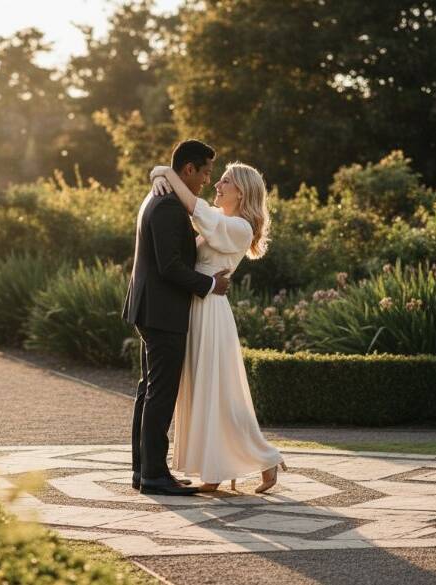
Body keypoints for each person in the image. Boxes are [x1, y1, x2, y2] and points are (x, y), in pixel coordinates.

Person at [149, 160, 287, 493]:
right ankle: (225, 466)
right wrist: (158, 174)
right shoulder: (220, 220)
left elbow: (194, 208)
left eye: (224, 181)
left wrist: (166, 173)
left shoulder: (240, 228)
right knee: (202, 390)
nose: (217, 186)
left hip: (211, 313)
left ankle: (255, 460)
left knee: (217, 391)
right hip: (195, 309)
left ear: (241, 191)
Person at [122, 140, 231, 496]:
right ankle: (154, 474)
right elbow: (170, 267)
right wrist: (211, 283)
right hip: (163, 311)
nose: (206, 180)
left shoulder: (159, 196)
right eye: (205, 172)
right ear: (188, 170)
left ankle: (144, 470)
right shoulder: (169, 205)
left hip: (150, 308)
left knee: (148, 391)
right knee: (160, 394)